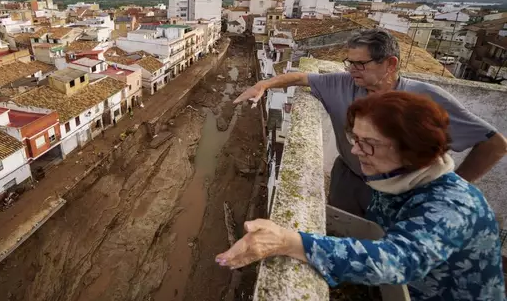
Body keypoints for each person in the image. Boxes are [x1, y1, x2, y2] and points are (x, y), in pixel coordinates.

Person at [217, 92, 506, 300]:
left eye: (368, 144)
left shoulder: (453, 206)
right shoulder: (393, 177)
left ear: (412, 151)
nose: (355, 151)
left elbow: (396, 262)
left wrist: (289, 242)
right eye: (356, 139)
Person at [235, 29, 507, 217]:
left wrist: (454, 186)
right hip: (349, 181)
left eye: (360, 64)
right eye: (349, 62)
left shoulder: (425, 98)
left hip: (403, 193)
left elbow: (494, 144)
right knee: (341, 234)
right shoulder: (341, 83)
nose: (351, 70)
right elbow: (299, 78)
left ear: (390, 64)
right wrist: (262, 85)